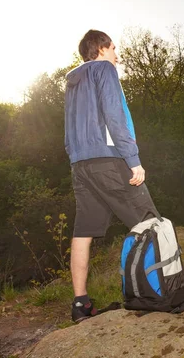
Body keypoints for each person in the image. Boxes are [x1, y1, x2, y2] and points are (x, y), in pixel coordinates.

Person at [65, 29, 158, 323]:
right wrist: (134, 161)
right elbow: (115, 116)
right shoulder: (104, 69)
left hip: (80, 164)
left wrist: (75, 159)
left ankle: (80, 304)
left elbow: (68, 129)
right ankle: (155, 293)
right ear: (102, 48)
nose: (117, 55)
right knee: (151, 223)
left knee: (83, 231)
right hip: (109, 159)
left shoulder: (72, 81)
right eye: (114, 48)